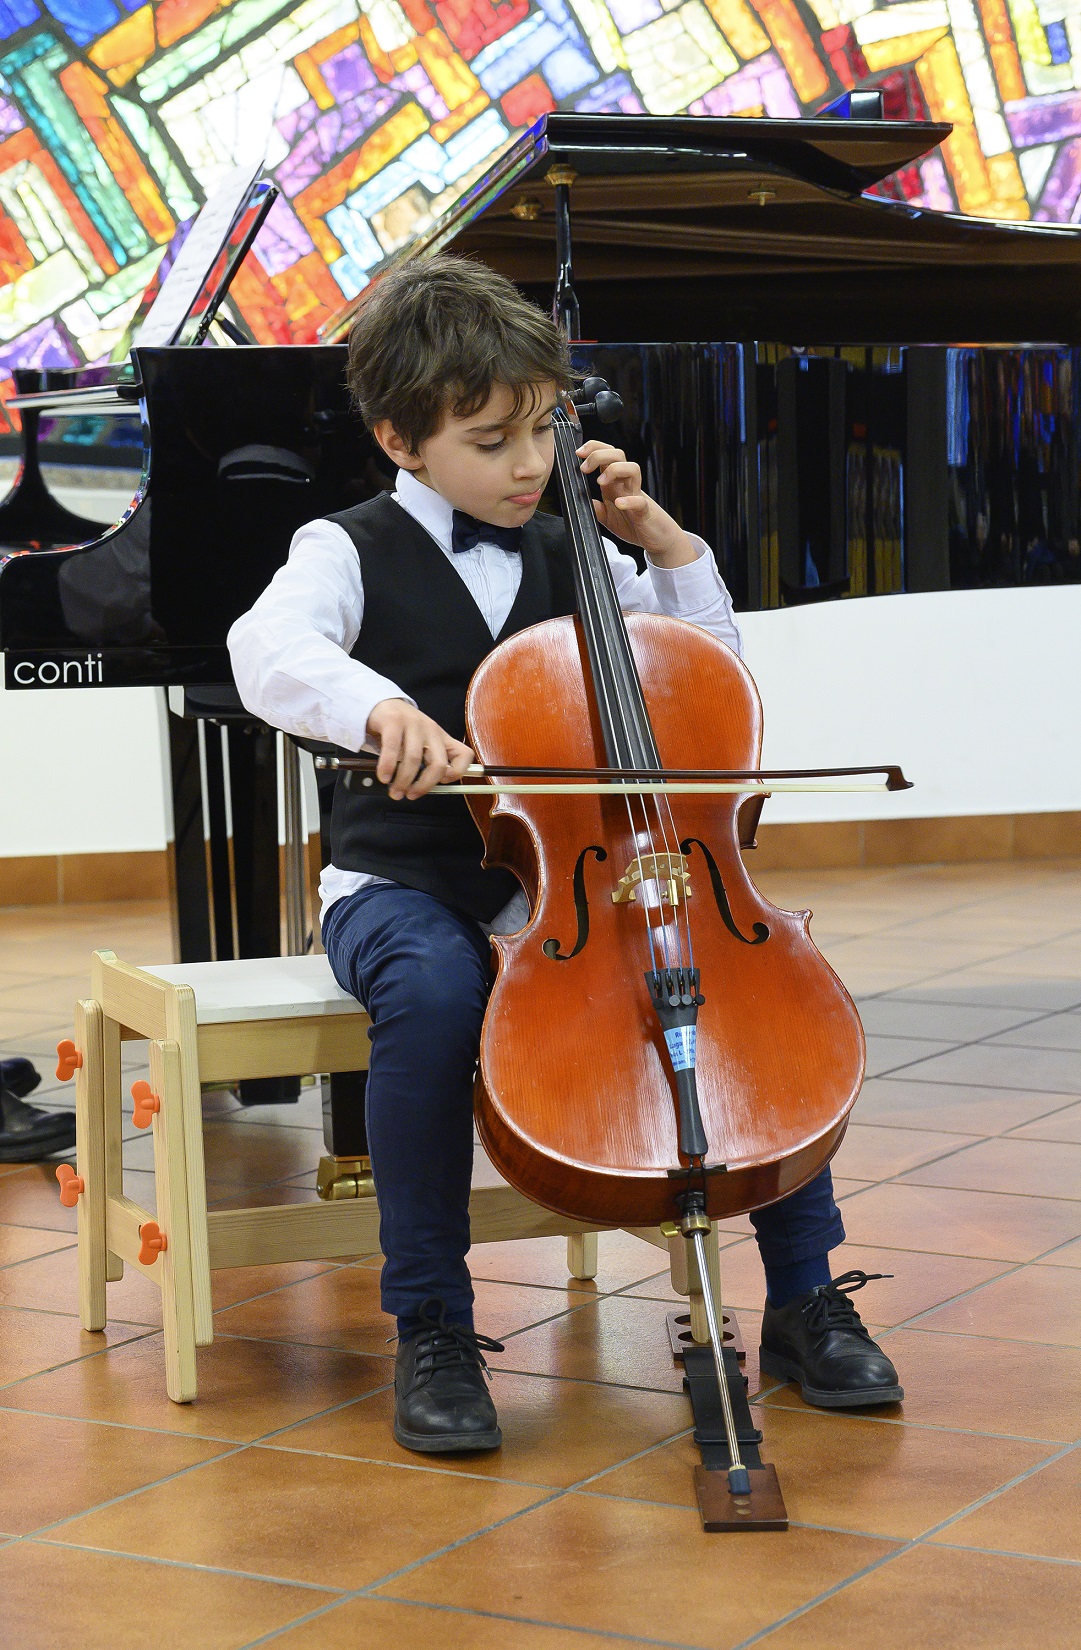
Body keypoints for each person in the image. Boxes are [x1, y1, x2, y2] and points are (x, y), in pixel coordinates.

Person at [228, 255, 901, 1453]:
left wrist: (670, 547)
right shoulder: (343, 548)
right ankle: (432, 1322)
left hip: (593, 885)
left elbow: (707, 687)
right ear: (401, 437)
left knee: (743, 1002)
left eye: (541, 429)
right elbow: (268, 646)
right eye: (491, 441)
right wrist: (374, 708)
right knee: (430, 999)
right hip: (405, 882)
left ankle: (803, 1299)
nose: (530, 465)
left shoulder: (576, 556)